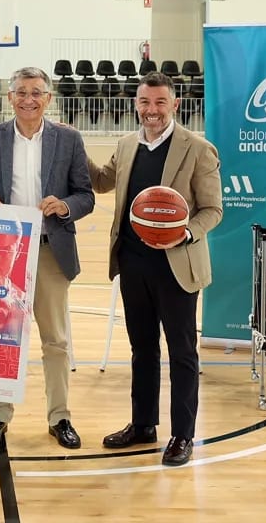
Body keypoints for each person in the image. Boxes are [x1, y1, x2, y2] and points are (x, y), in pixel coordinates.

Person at [87, 71, 222, 466]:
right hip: (133, 262)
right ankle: (143, 424)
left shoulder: (198, 149)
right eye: (145, 102)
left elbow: (213, 210)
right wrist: (68, 142)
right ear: (136, 104)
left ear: (175, 105)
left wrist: (184, 233)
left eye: (160, 103)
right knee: (141, 348)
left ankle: (183, 435)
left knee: (182, 351)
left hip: (176, 264)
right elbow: (101, 181)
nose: (152, 110)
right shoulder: (127, 145)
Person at [0, 66, 94, 449]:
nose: (29, 99)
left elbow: (86, 194)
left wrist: (64, 206)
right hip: (3, 253)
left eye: (36, 92)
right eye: (21, 92)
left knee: (55, 340)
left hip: (49, 250)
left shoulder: (70, 139)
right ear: (9, 97)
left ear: (49, 98)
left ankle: (59, 417)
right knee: (1, 338)